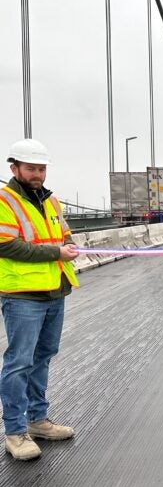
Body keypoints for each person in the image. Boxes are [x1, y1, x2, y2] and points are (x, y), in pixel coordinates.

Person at [0, 139, 79, 461]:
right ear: (15, 168)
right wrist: (55, 252)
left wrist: (70, 245)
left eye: (41, 168)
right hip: (22, 295)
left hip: (53, 289)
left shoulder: (51, 201)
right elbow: (5, 245)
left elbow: (64, 233)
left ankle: (37, 421)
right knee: (19, 362)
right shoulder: (5, 200)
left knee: (43, 355)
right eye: (31, 168)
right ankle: (15, 432)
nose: (37, 174)